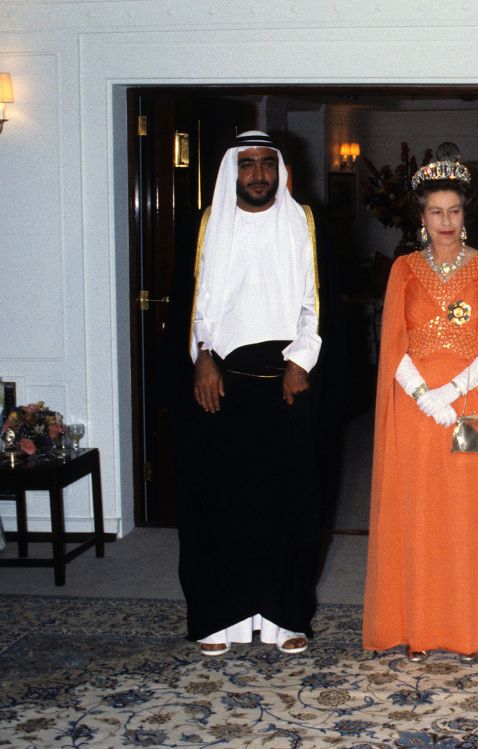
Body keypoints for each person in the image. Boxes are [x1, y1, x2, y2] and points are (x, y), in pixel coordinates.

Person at [173, 130, 327, 656]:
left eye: (266, 164)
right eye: (248, 165)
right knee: (220, 499)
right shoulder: (209, 226)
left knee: (289, 501)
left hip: (286, 379)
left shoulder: (301, 222)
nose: (258, 174)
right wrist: (204, 358)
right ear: (231, 171)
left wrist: (299, 361)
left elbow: (314, 303)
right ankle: (221, 618)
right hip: (220, 381)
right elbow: (193, 306)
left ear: (279, 169)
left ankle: (286, 618)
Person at [362, 160, 478, 663]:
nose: (445, 221)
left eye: (453, 210)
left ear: (466, 213)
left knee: (466, 514)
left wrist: (449, 392)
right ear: (421, 217)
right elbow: (391, 343)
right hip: (415, 410)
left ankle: (466, 628)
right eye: (435, 212)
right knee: (419, 513)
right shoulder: (403, 269)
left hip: (470, 407)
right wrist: (421, 393)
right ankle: (418, 628)